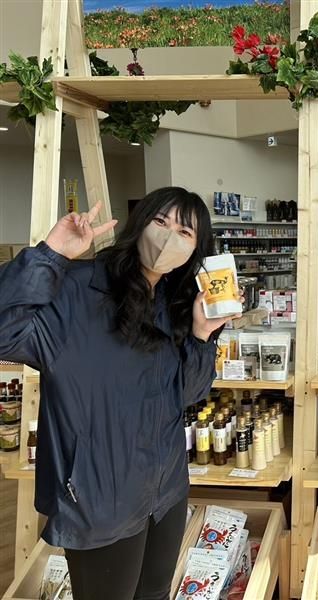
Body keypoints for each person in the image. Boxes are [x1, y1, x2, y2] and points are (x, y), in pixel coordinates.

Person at [0, 187, 239, 600]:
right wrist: (52, 254)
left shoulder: (171, 302)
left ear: (197, 250)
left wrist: (202, 335)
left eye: (185, 232)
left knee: (154, 594)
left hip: (164, 490)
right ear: (139, 222)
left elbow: (185, 395)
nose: (168, 238)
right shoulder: (77, 289)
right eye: (160, 222)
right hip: (98, 494)